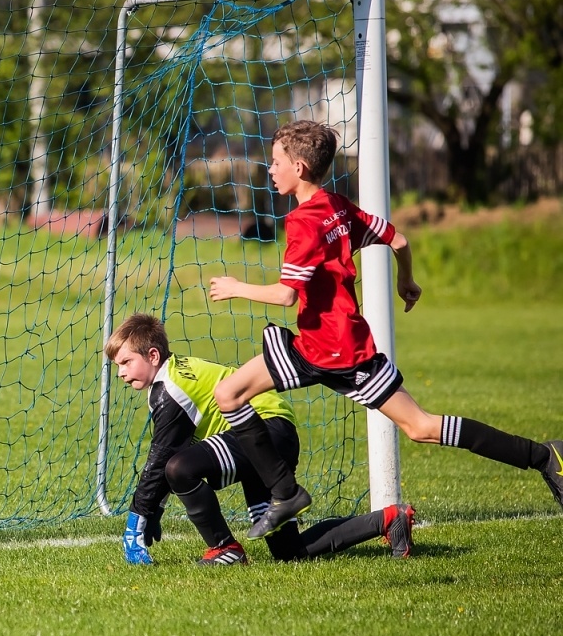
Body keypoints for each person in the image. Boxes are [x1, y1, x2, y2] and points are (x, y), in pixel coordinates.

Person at [207, 121, 563, 539]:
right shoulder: (336, 205)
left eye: (276, 162)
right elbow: (397, 240)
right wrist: (405, 280)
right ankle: (544, 456)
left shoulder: (303, 221)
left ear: (299, 167)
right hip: (341, 344)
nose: (270, 170)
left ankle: (285, 492)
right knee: (422, 427)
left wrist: (234, 288)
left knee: (228, 394)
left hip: (324, 350)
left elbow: (287, 295)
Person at [107, 312, 414, 565]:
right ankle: (388, 520)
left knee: (179, 468)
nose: (120, 372)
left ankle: (224, 548)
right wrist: (154, 507)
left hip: (265, 431)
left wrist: (139, 518)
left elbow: (163, 458)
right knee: (289, 551)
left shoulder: (168, 390)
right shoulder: (172, 376)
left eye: (126, 362)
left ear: (153, 355)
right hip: (270, 434)